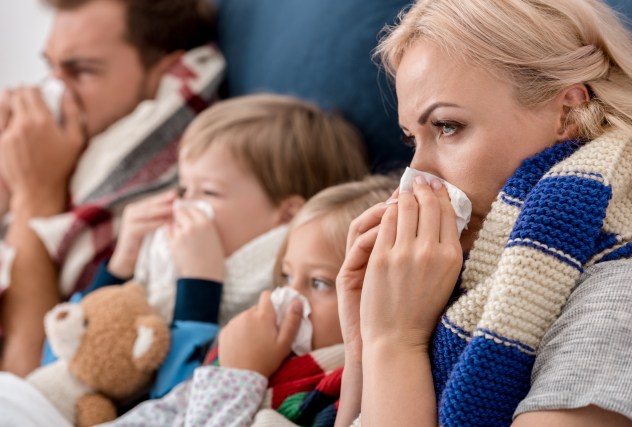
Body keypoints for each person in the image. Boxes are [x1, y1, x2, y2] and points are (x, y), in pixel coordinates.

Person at [336, 0, 632, 426]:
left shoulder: (625, 292)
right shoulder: (472, 276)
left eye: (446, 126)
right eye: (411, 140)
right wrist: (363, 344)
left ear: (567, 112)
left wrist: (396, 342)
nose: (417, 174)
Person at [70, 93, 370, 400]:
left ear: (286, 216)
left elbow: (177, 402)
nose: (186, 205)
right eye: (185, 189)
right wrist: (122, 264)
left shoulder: (281, 294)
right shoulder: (163, 268)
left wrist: (201, 284)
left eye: (209, 193)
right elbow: (66, 348)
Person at [0, 0, 223, 376]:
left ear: (165, 71)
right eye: (50, 68)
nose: (55, 93)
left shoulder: (159, 189)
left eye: (81, 71)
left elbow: (23, 382)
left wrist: (35, 196)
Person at [99, 175, 398, 427]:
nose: (290, 297)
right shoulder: (253, 345)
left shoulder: (346, 397)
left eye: (318, 283)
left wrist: (237, 376)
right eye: (285, 275)